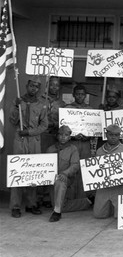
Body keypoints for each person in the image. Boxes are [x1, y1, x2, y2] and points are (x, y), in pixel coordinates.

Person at [9, 75, 48, 218]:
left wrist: (30, 132)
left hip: (34, 140)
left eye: (37, 86)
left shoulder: (41, 104)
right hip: (20, 140)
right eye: (32, 85)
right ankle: (15, 206)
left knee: (33, 173)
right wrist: (16, 106)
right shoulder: (18, 100)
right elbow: (12, 120)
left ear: (39, 89)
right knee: (17, 172)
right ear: (27, 86)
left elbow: (44, 125)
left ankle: (31, 204)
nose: (34, 88)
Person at [47, 125, 92, 222]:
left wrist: (65, 173)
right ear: (57, 136)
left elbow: (75, 165)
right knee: (58, 204)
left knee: (60, 181)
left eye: (66, 135)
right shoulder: (50, 149)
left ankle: (57, 213)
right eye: (61, 134)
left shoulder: (73, 149)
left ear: (69, 137)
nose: (63, 137)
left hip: (66, 178)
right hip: (51, 179)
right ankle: (85, 202)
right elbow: (44, 166)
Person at [93, 124, 123, 219]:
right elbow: (95, 169)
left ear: (119, 136)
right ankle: (109, 207)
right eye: (111, 135)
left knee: (121, 216)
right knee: (99, 215)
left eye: (116, 135)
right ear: (106, 135)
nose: (113, 137)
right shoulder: (100, 151)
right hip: (104, 186)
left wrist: (122, 175)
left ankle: (114, 207)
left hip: (119, 186)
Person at [39, 76, 66, 208]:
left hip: (55, 137)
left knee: (53, 167)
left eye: (57, 85)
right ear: (47, 86)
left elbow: (64, 121)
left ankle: (48, 197)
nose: (54, 87)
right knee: (41, 166)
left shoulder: (62, 104)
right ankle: (38, 197)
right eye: (52, 85)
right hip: (41, 137)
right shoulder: (39, 100)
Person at [65, 84, 92, 159]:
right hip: (71, 142)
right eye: (77, 94)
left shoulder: (90, 110)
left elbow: (94, 128)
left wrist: (89, 136)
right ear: (73, 95)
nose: (80, 96)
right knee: (71, 162)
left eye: (82, 94)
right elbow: (63, 128)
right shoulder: (67, 109)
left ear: (85, 95)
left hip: (85, 143)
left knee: (84, 165)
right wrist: (72, 136)